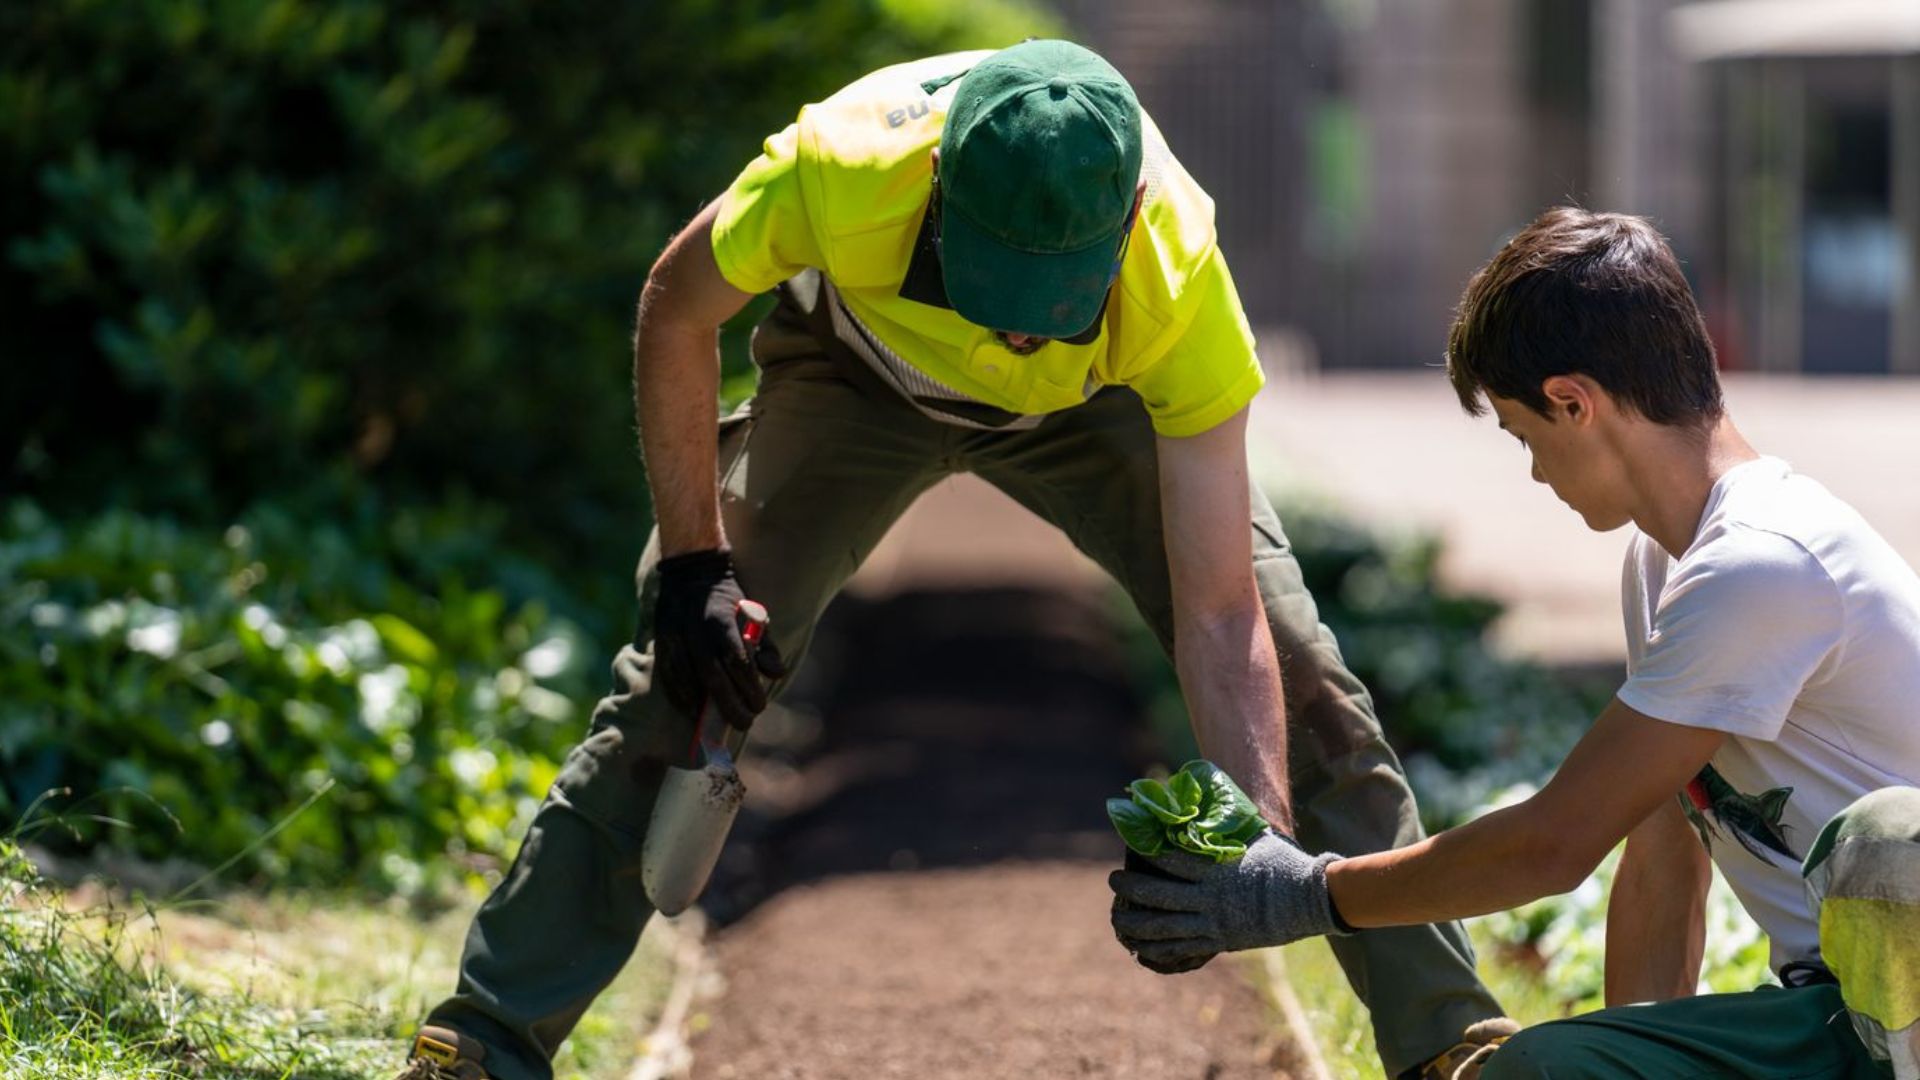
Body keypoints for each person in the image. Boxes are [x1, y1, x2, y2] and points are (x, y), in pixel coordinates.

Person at [397, 40, 1507, 1080]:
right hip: (855, 378)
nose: (1017, 335)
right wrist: (696, 566)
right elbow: (676, 309)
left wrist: (1255, 856)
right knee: (685, 680)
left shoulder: (1178, 278)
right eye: (997, 292)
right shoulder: (843, 167)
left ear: (1123, 229)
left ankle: (1449, 1043)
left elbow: (1222, 615)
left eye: (1050, 306)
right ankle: (485, 1041)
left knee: (1305, 684)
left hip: (1095, 407)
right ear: (936, 193)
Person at [1109, 206, 1920, 1079]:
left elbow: (1553, 845)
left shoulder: (1764, 563)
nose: (1536, 473)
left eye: (1524, 435)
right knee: (1543, 1071)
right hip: (1836, 1018)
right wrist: (1624, 1058)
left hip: (1898, 1013)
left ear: (1573, 402)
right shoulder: (1663, 565)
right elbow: (1659, 865)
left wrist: (1305, 894)